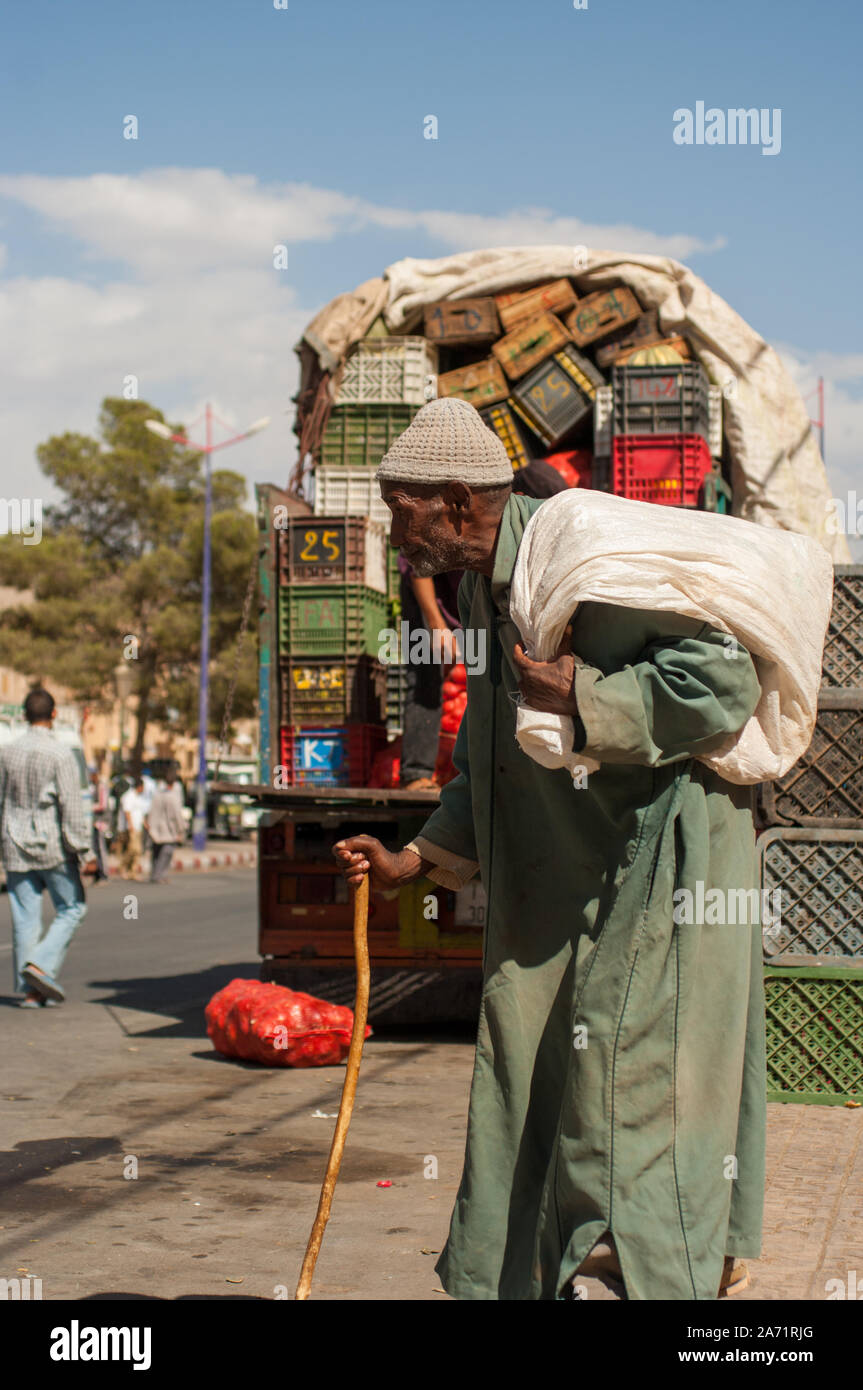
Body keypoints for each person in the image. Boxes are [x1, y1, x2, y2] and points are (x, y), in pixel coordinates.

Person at [332, 396, 767, 1301]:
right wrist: (416, 858)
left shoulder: (588, 563)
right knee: (528, 1072)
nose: (394, 538)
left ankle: (660, 1281)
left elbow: (721, 681)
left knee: (629, 1092)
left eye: (402, 515)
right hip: (561, 874)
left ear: (456, 502)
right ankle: (535, 1278)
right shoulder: (475, 587)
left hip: (661, 870)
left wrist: (586, 691)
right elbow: (487, 751)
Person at [0, 687, 91, 1007]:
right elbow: (71, 806)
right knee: (73, 907)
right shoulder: (60, 754)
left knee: (26, 918)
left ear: (24, 716)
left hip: (14, 845)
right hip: (52, 846)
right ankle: (40, 967)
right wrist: (84, 850)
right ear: (53, 715)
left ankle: (31, 991)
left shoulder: (6, 752)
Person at [145, 770, 186, 883]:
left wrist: (149, 825)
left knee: (156, 854)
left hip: (155, 830)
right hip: (168, 831)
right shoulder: (173, 797)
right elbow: (177, 815)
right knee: (166, 854)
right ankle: (160, 875)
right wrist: (181, 829)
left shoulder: (157, 795)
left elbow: (151, 811)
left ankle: (154, 874)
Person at [119, 777, 147, 881]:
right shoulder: (129, 796)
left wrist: (145, 823)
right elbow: (127, 811)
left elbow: (140, 813)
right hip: (132, 827)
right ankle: (123, 867)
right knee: (133, 849)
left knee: (137, 851)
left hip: (138, 827)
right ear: (140, 787)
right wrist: (130, 825)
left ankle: (133, 872)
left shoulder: (138, 797)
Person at [89, 764, 110, 882]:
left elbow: (103, 805)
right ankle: (97, 873)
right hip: (93, 822)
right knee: (95, 849)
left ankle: (104, 873)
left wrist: (88, 807)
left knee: (101, 850)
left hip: (101, 823)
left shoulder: (101, 787)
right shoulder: (92, 787)